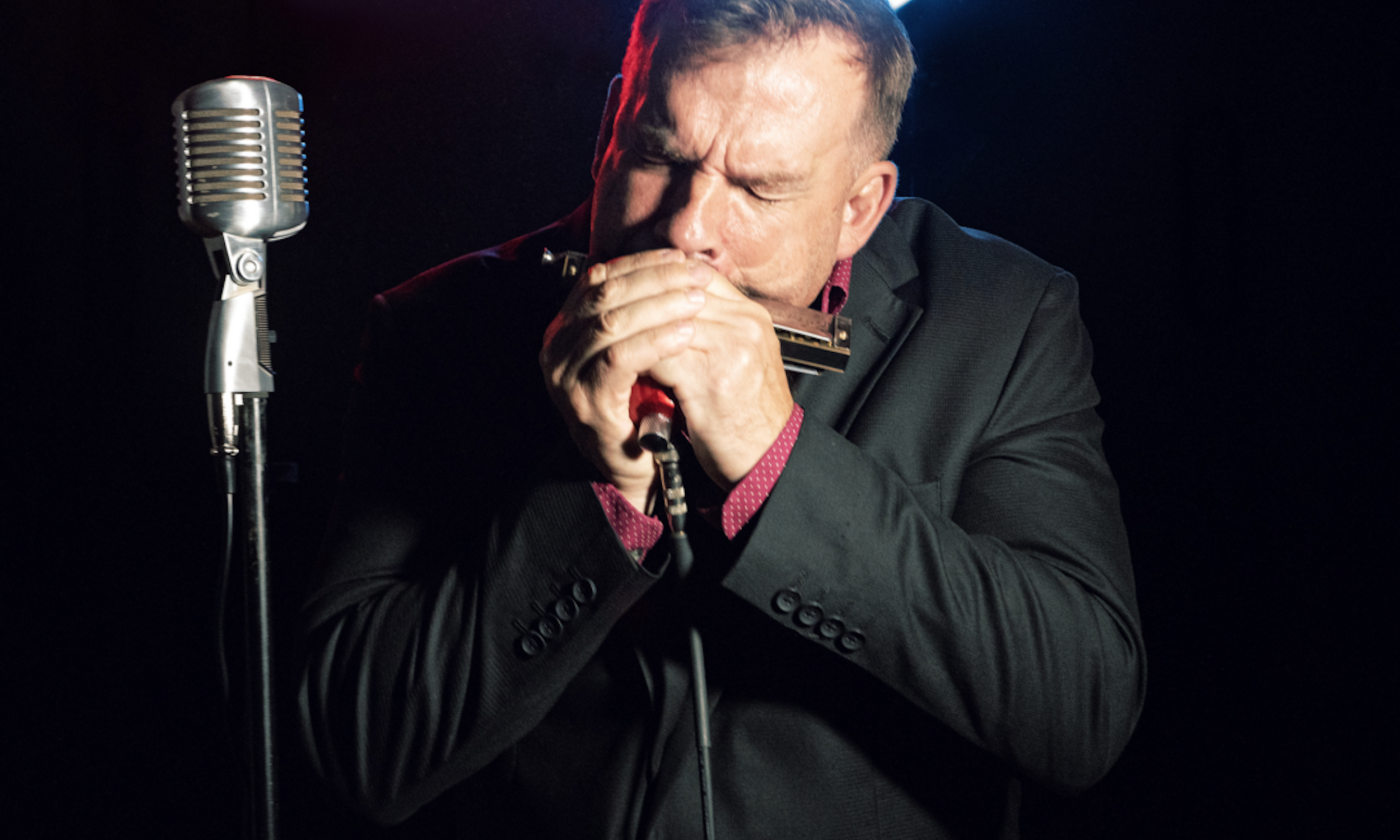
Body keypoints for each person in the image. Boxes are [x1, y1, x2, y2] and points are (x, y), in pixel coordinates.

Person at [298, 1, 1146, 837]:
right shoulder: (439, 329)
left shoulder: (1003, 319)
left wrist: (775, 460)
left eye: (758, 188)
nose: (687, 230)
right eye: (658, 155)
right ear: (609, 131)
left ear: (861, 205)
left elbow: (1082, 711)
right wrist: (602, 492)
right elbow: (359, 754)